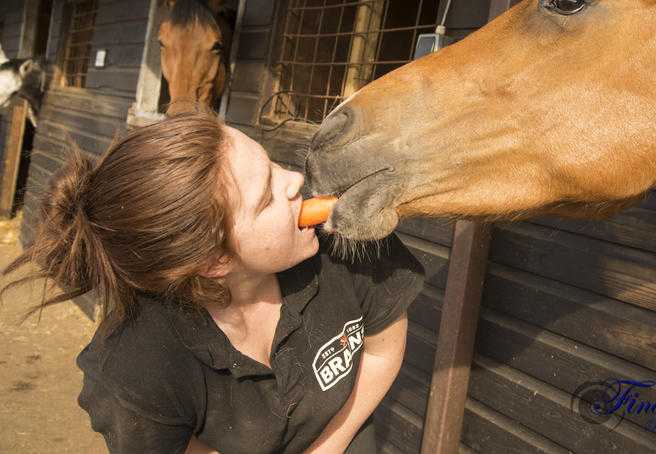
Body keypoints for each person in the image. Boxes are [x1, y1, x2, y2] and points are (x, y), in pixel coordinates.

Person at [0, 113, 425, 453]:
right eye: (266, 197)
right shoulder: (137, 370)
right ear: (215, 261)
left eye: (273, 164)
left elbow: (382, 351)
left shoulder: (346, 244)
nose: (295, 180)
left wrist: (329, 446)